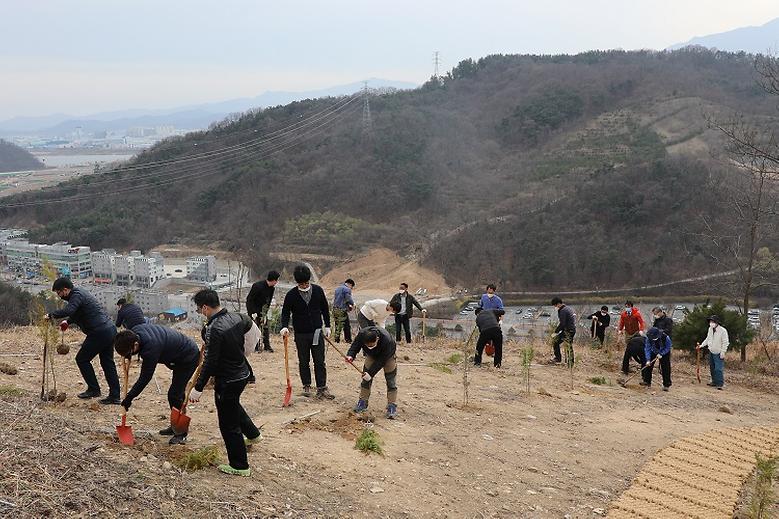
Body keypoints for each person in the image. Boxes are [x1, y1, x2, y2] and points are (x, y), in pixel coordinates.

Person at [188, 289, 261, 477]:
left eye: (199, 309)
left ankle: (240, 465)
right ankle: (253, 434)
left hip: (228, 379)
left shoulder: (215, 328)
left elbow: (210, 362)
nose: (200, 313)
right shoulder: (235, 317)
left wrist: (198, 387)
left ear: (205, 307)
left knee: (228, 424)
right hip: (242, 374)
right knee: (232, 404)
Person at [113, 324, 200, 444]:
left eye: (129, 352)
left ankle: (181, 433)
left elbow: (145, 377)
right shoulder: (135, 332)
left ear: (136, 344)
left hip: (188, 357)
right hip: (177, 355)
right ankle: (175, 425)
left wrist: (129, 397)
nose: (129, 355)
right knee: (176, 393)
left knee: (174, 394)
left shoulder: (150, 348)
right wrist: (127, 353)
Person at [47, 278, 120, 404]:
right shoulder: (80, 293)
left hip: (99, 332)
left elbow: (69, 310)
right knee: (107, 363)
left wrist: (50, 315)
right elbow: (78, 312)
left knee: (82, 359)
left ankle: (94, 389)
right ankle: (115, 396)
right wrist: (67, 321)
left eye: (59, 293)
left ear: (65, 290)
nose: (59, 296)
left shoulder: (76, 295)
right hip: (109, 329)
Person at [280, 265, 334, 400]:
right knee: (303, 361)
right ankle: (306, 386)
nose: (304, 286)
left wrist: (327, 326)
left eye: (306, 283)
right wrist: (284, 326)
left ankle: (321, 387)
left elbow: (325, 309)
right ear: (297, 282)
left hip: (316, 332)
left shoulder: (318, 291)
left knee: (319, 361)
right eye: (301, 284)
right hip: (301, 333)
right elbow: (285, 312)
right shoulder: (291, 295)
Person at [346, 326, 398, 419]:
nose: (369, 347)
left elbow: (381, 361)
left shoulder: (387, 340)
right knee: (365, 379)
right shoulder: (362, 334)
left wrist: (370, 373)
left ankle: (391, 405)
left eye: (371, 345)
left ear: (377, 339)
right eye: (367, 346)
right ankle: (363, 402)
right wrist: (351, 355)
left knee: (391, 381)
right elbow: (355, 345)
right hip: (371, 356)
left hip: (387, 357)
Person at [245, 270, 280, 352]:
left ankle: (267, 346)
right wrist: (252, 313)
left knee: (265, 327)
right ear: (274, 280)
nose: (277, 282)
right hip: (254, 311)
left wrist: (265, 313)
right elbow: (249, 300)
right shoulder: (257, 286)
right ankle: (255, 347)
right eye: (277, 280)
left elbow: (268, 302)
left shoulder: (272, 289)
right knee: (255, 329)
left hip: (263, 311)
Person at [696, 315, 729, 390]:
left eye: (713, 321)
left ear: (717, 322)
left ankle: (720, 384)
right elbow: (708, 339)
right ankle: (714, 381)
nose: (711, 323)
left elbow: (725, 342)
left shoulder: (723, 331)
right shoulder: (710, 329)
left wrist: (723, 352)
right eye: (710, 321)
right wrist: (701, 346)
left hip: (719, 352)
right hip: (711, 351)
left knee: (718, 369)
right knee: (712, 368)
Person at [641, 327, 672, 391]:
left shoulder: (666, 337)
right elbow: (647, 348)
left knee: (666, 367)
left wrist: (662, 353)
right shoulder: (648, 338)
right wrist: (648, 359)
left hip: (664, 351)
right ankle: (647, 381)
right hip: (654, 351)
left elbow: (668, 347)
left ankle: (666, 384)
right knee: (648, 365)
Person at [551, 297, 576, 364]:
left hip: (568, 331)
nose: (555, 307)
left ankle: (558, 358)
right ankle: (570, 362)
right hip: (571, 330)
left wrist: (556, 332)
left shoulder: (563, 311)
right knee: (569, 345)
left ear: (558, 304)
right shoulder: (567, 308)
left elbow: (562, 324)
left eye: (555, 305)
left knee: (556, 342)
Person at [332, 279, 355, 343]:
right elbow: (348, 299)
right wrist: (353, 304)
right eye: (352, 287)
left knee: (337, 325)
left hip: (335, 309)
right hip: (342, 310)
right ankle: (348, 340)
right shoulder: (347, 289)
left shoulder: (337, 288)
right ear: (350, 284)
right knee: (346, 326)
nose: (351, 288)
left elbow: (340, 299)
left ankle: (336, 340)